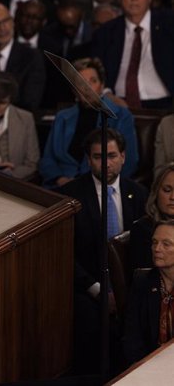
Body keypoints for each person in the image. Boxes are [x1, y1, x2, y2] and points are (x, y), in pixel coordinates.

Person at [59, 127, 148, 373]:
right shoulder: (69, 197)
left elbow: (142, 248)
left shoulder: (138, 193)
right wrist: (98, 290)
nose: (106, 163)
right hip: (86, 287)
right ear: (89, 160)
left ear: (123, 157)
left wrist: (125, 290)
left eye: (111, 156)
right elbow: (64, 253)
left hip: (130, 286)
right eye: (98, 157)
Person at [39, 57, 138, 188]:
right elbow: (47, 159)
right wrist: (60, 179)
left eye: (93, 81)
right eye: (81, 82)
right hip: (62, 187)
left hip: (102, 187)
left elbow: (129, 161)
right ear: (74, 89)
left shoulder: (121, 116)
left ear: (102, 85)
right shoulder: (62, 117)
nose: (87, 87)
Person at [92, 0, 174, 110]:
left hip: (166, 106)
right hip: (118, 106)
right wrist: (107, 94)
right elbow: (94, 72)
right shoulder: (106, 32)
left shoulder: (169, 24)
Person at [122, 220, 174, 365]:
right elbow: (132, 339)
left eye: (166, 244)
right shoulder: (142, 281)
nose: (157, 249)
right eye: (154, 242)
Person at [0, 2, 45, 111]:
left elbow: (30, 102)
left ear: (13, 22)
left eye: (6, 21)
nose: (3, 28)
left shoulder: (31, 57)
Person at [130, 163, 174, 271]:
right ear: (156, 192)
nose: (173, 197)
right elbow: (147, 277)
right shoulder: (142, 229)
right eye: (167, 190)